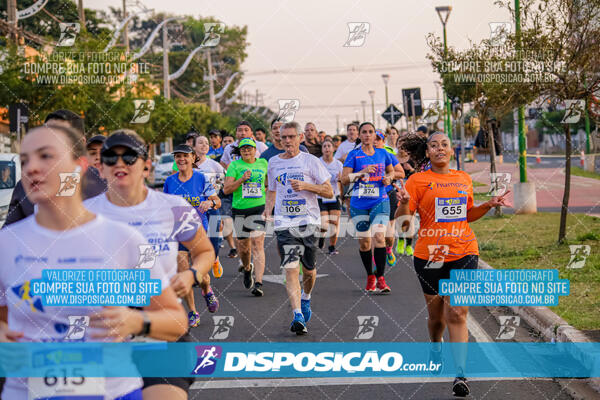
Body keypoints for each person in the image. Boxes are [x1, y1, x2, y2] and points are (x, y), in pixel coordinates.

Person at [0, 124, 187, 400]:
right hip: (28, 391)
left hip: (112, 390)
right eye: (25, 160)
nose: (32, 168)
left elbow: (176, 321)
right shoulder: (7, 244)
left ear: (80, 166)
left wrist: (136, 321)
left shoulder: (123, 239)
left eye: (46, 156)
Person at [84, 130, 214, 399]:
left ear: (147, 165)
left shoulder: (173, 207)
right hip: (104, 332)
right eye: (110, 157)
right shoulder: (84, 214)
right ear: (101, 167)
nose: (119, 163)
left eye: (129, 156)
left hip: (160, 325)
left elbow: (204, 251)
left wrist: (191, 275)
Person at [394, 131, 512, 397]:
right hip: (430, 255)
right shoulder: (417, 181)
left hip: (464, 251)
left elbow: (467, 214)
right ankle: (435, 345)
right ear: (426, 152)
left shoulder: (463, 178)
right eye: (433, 145)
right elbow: (402, 223)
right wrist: (402, 204)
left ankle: (461, 374)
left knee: (457, 313)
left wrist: (488, 205)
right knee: (437, 317)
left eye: (444, 145)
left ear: (451, 150)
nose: (439, 149)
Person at [263, 121, 333, 335]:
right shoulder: (274, 162)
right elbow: (272, 190)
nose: (287, 141)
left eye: (291, 137)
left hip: (308, 221)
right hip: (285, 223)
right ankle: (297, 315)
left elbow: (329, 192)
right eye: (283, 137)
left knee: (309, 270)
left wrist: (306, 186)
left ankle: (306, 298)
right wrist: (267, 210)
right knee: (291, 268)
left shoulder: (311, 161)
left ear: (300, 137)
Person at [3, 109, 107, 227]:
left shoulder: (105, 184)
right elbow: (8, 237)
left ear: (81, 143)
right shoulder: (25, 186)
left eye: (58, 136)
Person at [164, 144, 221, 328]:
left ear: (192, 158)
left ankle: (207, 291)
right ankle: (192, 312)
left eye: (185, 156)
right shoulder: (170, 182)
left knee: (201, 276)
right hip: (178, 233)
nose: (181, 159)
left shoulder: (201, 178)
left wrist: (208, 204)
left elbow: (217, 201)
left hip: (198, 232)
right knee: (184, 272)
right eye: (178, 156)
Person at [341, 122, 396, 293]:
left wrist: (389, 178)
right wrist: (361, 172)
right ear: (359, 135)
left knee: (379, 236)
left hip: (380, 200)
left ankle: (381, 278)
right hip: (359, 203)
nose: (367, 135)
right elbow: (344, 179)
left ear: (374, 136)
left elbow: (392, 172)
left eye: (370, 132)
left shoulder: (383, 153)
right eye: (363, 132)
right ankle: (370, 276)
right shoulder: (354, 155)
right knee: (364, 242)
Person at [223, 138, 268, 296]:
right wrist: (241, 180)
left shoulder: (263, 163)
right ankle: (247, 268)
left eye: (249, 148)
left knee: (257, 243)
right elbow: (227, 189)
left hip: (258, 208)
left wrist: (270, 205)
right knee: (243, 248)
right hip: (240, 209)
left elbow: (269, 185)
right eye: (243, 149)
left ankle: (258, 282)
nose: (246, 151)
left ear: (255, 149)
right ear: (240, 152)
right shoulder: (234, 166)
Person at [194, 135, 226, 278]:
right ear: (194, 147)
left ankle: (214, 259)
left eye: (206, 143)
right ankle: (197, 268)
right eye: (200, 143)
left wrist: (216, 186)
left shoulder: (214, 165)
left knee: (214, 234)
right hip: (194, 206)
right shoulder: (189, 165)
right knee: (196, 237)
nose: (204, 145)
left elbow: (223, 179)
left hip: (212, 204)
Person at [374, 130, 405, 267]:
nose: (374, 141)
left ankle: (388, 249)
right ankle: (376, 260)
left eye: (378, 139)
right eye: (373, 139)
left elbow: (401, 173)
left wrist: (389, 176)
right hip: (370, 196)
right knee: (375, 231)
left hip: (387, 193)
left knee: (388, 231)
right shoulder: (361, 155)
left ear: (383, 141)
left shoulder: (388, 154)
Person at [317, 139, 343, 255]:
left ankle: (332, 246)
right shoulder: (317, 162)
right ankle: (322, 236)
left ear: (333, 149)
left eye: (329, 146)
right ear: (322, 150)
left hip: (334, 195)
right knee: (324, 223)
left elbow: (344, 180)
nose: (327, 148)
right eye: (325, 146)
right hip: (320, 196)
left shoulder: (338, 164)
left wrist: (340, 179)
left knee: (334, 223)